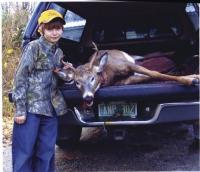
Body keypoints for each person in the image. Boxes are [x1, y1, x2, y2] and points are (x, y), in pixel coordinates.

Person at [12, 9, 69, 172]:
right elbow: (20, 77)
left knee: (46, 153)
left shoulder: (58, 52)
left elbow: (57, 77)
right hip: (31, 109)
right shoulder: (33, 47)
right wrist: (20, 109)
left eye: (58, 28)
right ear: (41, 30)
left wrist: (66, 72)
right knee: (24, 152)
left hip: (50, 110)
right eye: (50, 28)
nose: (55, 32)